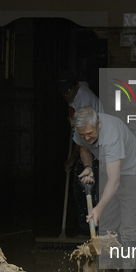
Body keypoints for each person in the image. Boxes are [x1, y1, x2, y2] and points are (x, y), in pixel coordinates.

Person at [72, 106, 136, 272]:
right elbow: (83, 147)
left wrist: (98, 207)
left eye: (90, 133)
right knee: (107, 223)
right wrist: (88, 166)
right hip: (108, 167)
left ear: (99, 124)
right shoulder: (83, 132)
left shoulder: (111, 135)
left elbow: (114, 180)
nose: (87, 137)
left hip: (129, 170)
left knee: (129, 224)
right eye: (83, 134)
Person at [57, 72, 104, 237]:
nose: (66, 95)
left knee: (85, 185)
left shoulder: (85, 100)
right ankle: (87, 230)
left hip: (97, 147)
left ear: (76, 86)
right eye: (63, 93)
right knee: (83, 184)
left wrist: (71, 160)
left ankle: (90, 231)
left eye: (68, 91)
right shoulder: (75, 95)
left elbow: (83, 140)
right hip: (87, 145)